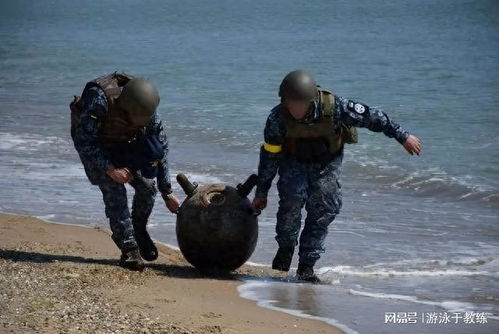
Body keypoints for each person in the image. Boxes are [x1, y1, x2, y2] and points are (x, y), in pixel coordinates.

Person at [252, 70, 421, 282]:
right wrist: (262, 192)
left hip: (326, 164)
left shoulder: (335, 107)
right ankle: (285, 250)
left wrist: (402, 136)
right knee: (291, 201)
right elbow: (269, 157)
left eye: (299, 103)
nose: (294, 108)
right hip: (293, 162)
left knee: (324, 207)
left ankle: (307, 265)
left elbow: (372, 117)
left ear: (311, 100)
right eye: (290, 102)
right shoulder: (277, 119)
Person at [71, 72, 180, 271]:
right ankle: (129, 247)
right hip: (97, 146)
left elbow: (160, 148)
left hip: (124, 142)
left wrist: (167, 192)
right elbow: (83, 141)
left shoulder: (147, 110)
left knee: (147, 188)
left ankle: (138, 230)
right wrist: (110, 169)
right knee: (115, 190)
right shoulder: (100, 100)